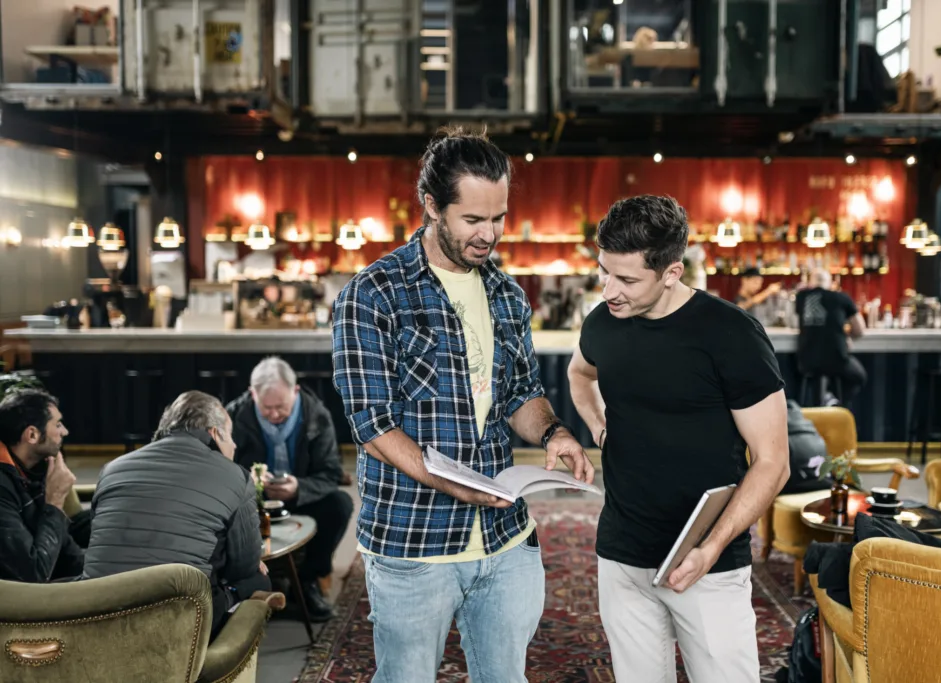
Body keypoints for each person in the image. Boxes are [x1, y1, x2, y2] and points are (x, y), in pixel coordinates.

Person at [333, 127, 594, 683]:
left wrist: (555, 435)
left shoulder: (506, 293)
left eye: (498, 218)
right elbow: (372, 425)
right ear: (431, 206)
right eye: (472, 220)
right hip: (414, 539)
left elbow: (521, 394)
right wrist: (450, 482)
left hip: (505, 540)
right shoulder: (374, 294)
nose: (489, 235)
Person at [566, 195, 790, 683]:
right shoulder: (603, 321)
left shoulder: (732, 333)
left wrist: (711, 549)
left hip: (709, 562)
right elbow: (579, 374)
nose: (609, 290)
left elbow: (773, 461)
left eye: (627, 279)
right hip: (622, 554)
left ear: (671, 272)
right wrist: (599, 426)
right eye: (604, 272)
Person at [82, 391, 273, 638]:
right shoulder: (236, 476)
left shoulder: (111, 469)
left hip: (96, 612)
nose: (235, 445)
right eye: (231, 435)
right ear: (215, 433)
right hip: (178, 621)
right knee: (259, 580)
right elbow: (243, 567)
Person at [226, 356, 352, 621]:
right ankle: (244, 583)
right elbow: (218, 468)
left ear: (295, 392)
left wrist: (299, 487)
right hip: (252, 500)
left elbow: (330, 473)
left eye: (280, 407)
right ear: (252, 394)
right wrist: (245, 480)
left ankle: (306, 581)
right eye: (266, 408)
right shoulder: (234, 416)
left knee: (340, 505)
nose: (273, 415)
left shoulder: (317, 415)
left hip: (300, 495)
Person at [0, 389, 84, 583]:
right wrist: (54, 502)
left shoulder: (35, 469)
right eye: (58, 424)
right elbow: (33, 574)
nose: (65, 432)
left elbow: (67, 551)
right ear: (32, 434)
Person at [795, 268, 867, 405]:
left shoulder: (801, 297)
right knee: (859, 376)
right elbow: (859, 330)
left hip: (806, 361)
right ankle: (835, 402)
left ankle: (826, 399)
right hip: (836, 358)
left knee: (819, 372)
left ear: (810, 283)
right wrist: (845, 334)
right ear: (831, 283)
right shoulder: (842, 297)